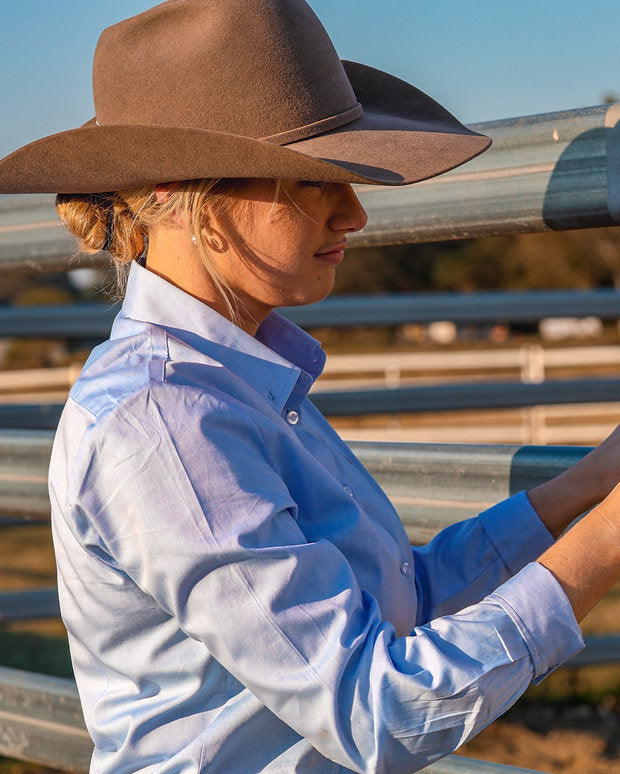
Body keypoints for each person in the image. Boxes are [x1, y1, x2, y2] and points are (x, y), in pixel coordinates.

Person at [1, 1, 619, 772]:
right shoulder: (166, 424)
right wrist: (607, 538)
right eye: (312, 180)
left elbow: (396, 603)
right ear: (184, 194)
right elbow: (378, 713)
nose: (355, 211)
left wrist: (587, 488)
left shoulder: (229, 384)